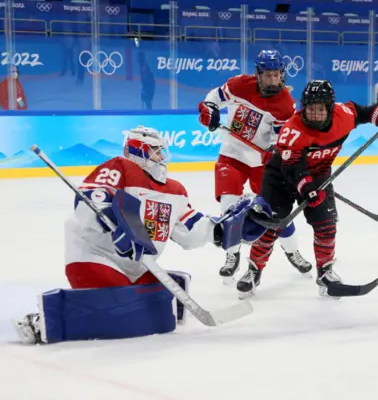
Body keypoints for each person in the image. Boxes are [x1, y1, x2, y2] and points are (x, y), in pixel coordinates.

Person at [13, 126, 271, 344]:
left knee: (158, 312)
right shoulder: (120, 167)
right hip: (96, 256)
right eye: (155, 150)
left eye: (161, 150)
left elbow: (191, 232)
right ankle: (45, 320)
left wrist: (229, 230)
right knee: (122, 313)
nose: (161, 156)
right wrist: (112, 224)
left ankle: (130, 296)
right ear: (138, 151)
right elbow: (90, 202)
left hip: (138, 263)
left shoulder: (175, 190)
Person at [236, 80, 378, 298]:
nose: (314, 113)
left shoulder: (344, 115)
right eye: (310, 108)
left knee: (326, 226)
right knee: (272, 226)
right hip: (281, 176)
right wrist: (307, 188)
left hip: (319, 174)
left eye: (320, 108)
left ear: (331, 108)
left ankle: (325, 273)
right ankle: (253, 271)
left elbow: (365, 112)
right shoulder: (292, 130)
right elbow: (293, 166)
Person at [198, 50, 312, 282]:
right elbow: (215, 96)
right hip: (231, 156)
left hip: (261, 164)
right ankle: (232, 255)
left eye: (277, 75)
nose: (273, 80)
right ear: (258, 74)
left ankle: (292, 250)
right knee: (229, 207)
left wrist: (274, 151)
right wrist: (209, 108)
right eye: (268, 75)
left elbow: (280, 138)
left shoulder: (285, 104)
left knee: (277, 212)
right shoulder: (239, 85)